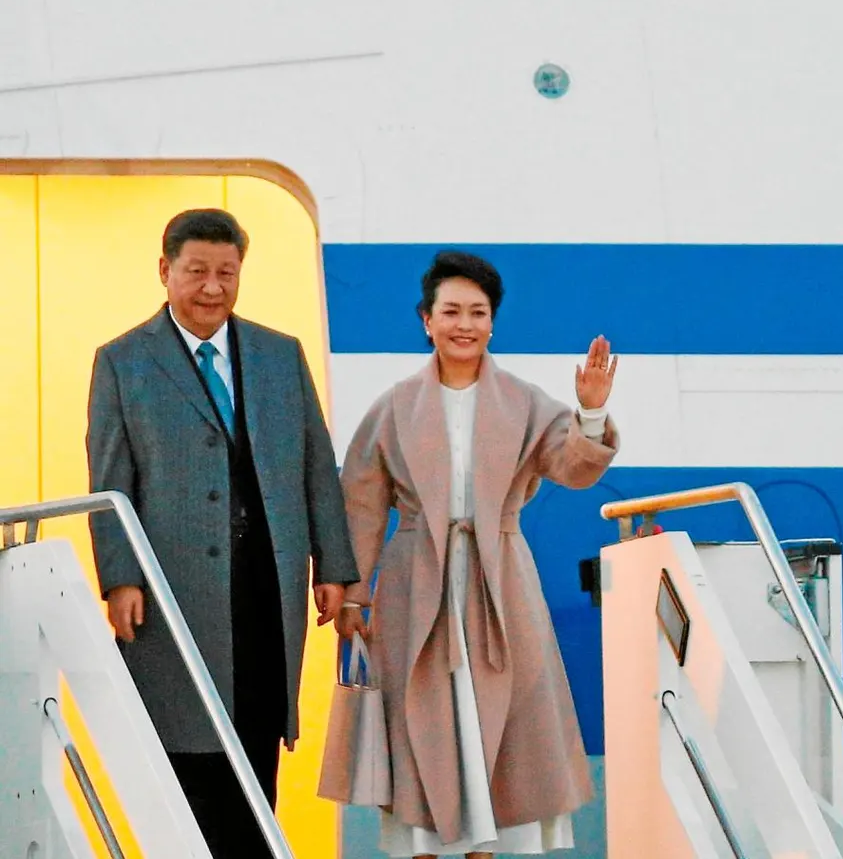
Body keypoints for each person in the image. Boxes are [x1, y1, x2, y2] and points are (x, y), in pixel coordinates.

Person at [86, 207, 359, 857]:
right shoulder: (123, 360)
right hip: (171, 591)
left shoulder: (278, 353)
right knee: (186, 748)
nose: (213, 286)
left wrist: (336, 566)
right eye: (197, 271)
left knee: (256, 737)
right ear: (165, 270)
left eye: (226, 272)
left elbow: (316, 464)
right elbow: (108, 481)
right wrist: (119, 576)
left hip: (268, 579)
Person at [335, 249, 619, 858]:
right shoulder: (393, 406)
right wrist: (354, 592)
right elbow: (360, 501)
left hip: (500, 579)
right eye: (451, 311)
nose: (464, 324)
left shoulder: (524, 401)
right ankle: (428, 846)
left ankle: (487, 847)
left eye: (478, 312)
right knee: (424, 720)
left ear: (493, 323)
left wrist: (590, 412)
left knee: (498, 718)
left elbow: (572, 467)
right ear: (426, 320)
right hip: (416, 580)